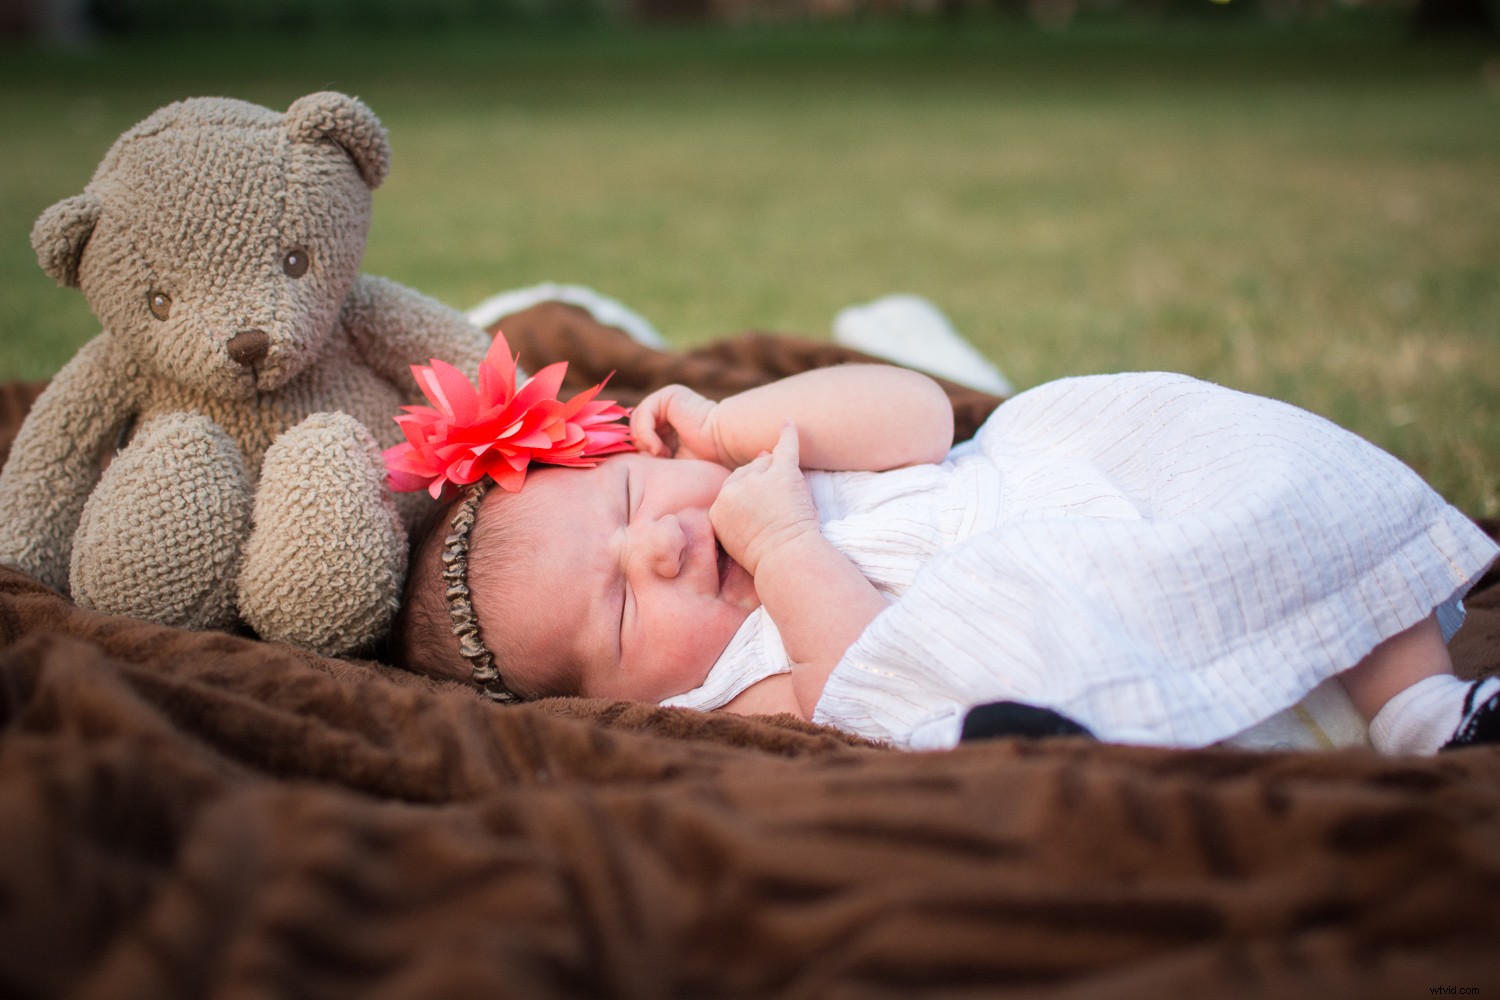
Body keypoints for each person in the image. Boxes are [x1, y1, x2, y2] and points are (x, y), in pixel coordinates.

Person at [394, 354, 1499, 755]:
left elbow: (918, 412)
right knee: (991, 719)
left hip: (1114, 509)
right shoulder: (737, 685)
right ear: (627, 699)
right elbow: (868, 690)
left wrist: (733, 427)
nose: (662, 546)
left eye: (632, 497)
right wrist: (783, 551)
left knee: (1258, 485)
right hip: (1087, 652)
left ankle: (1422, 712)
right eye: (623, 613)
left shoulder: (778, 454)